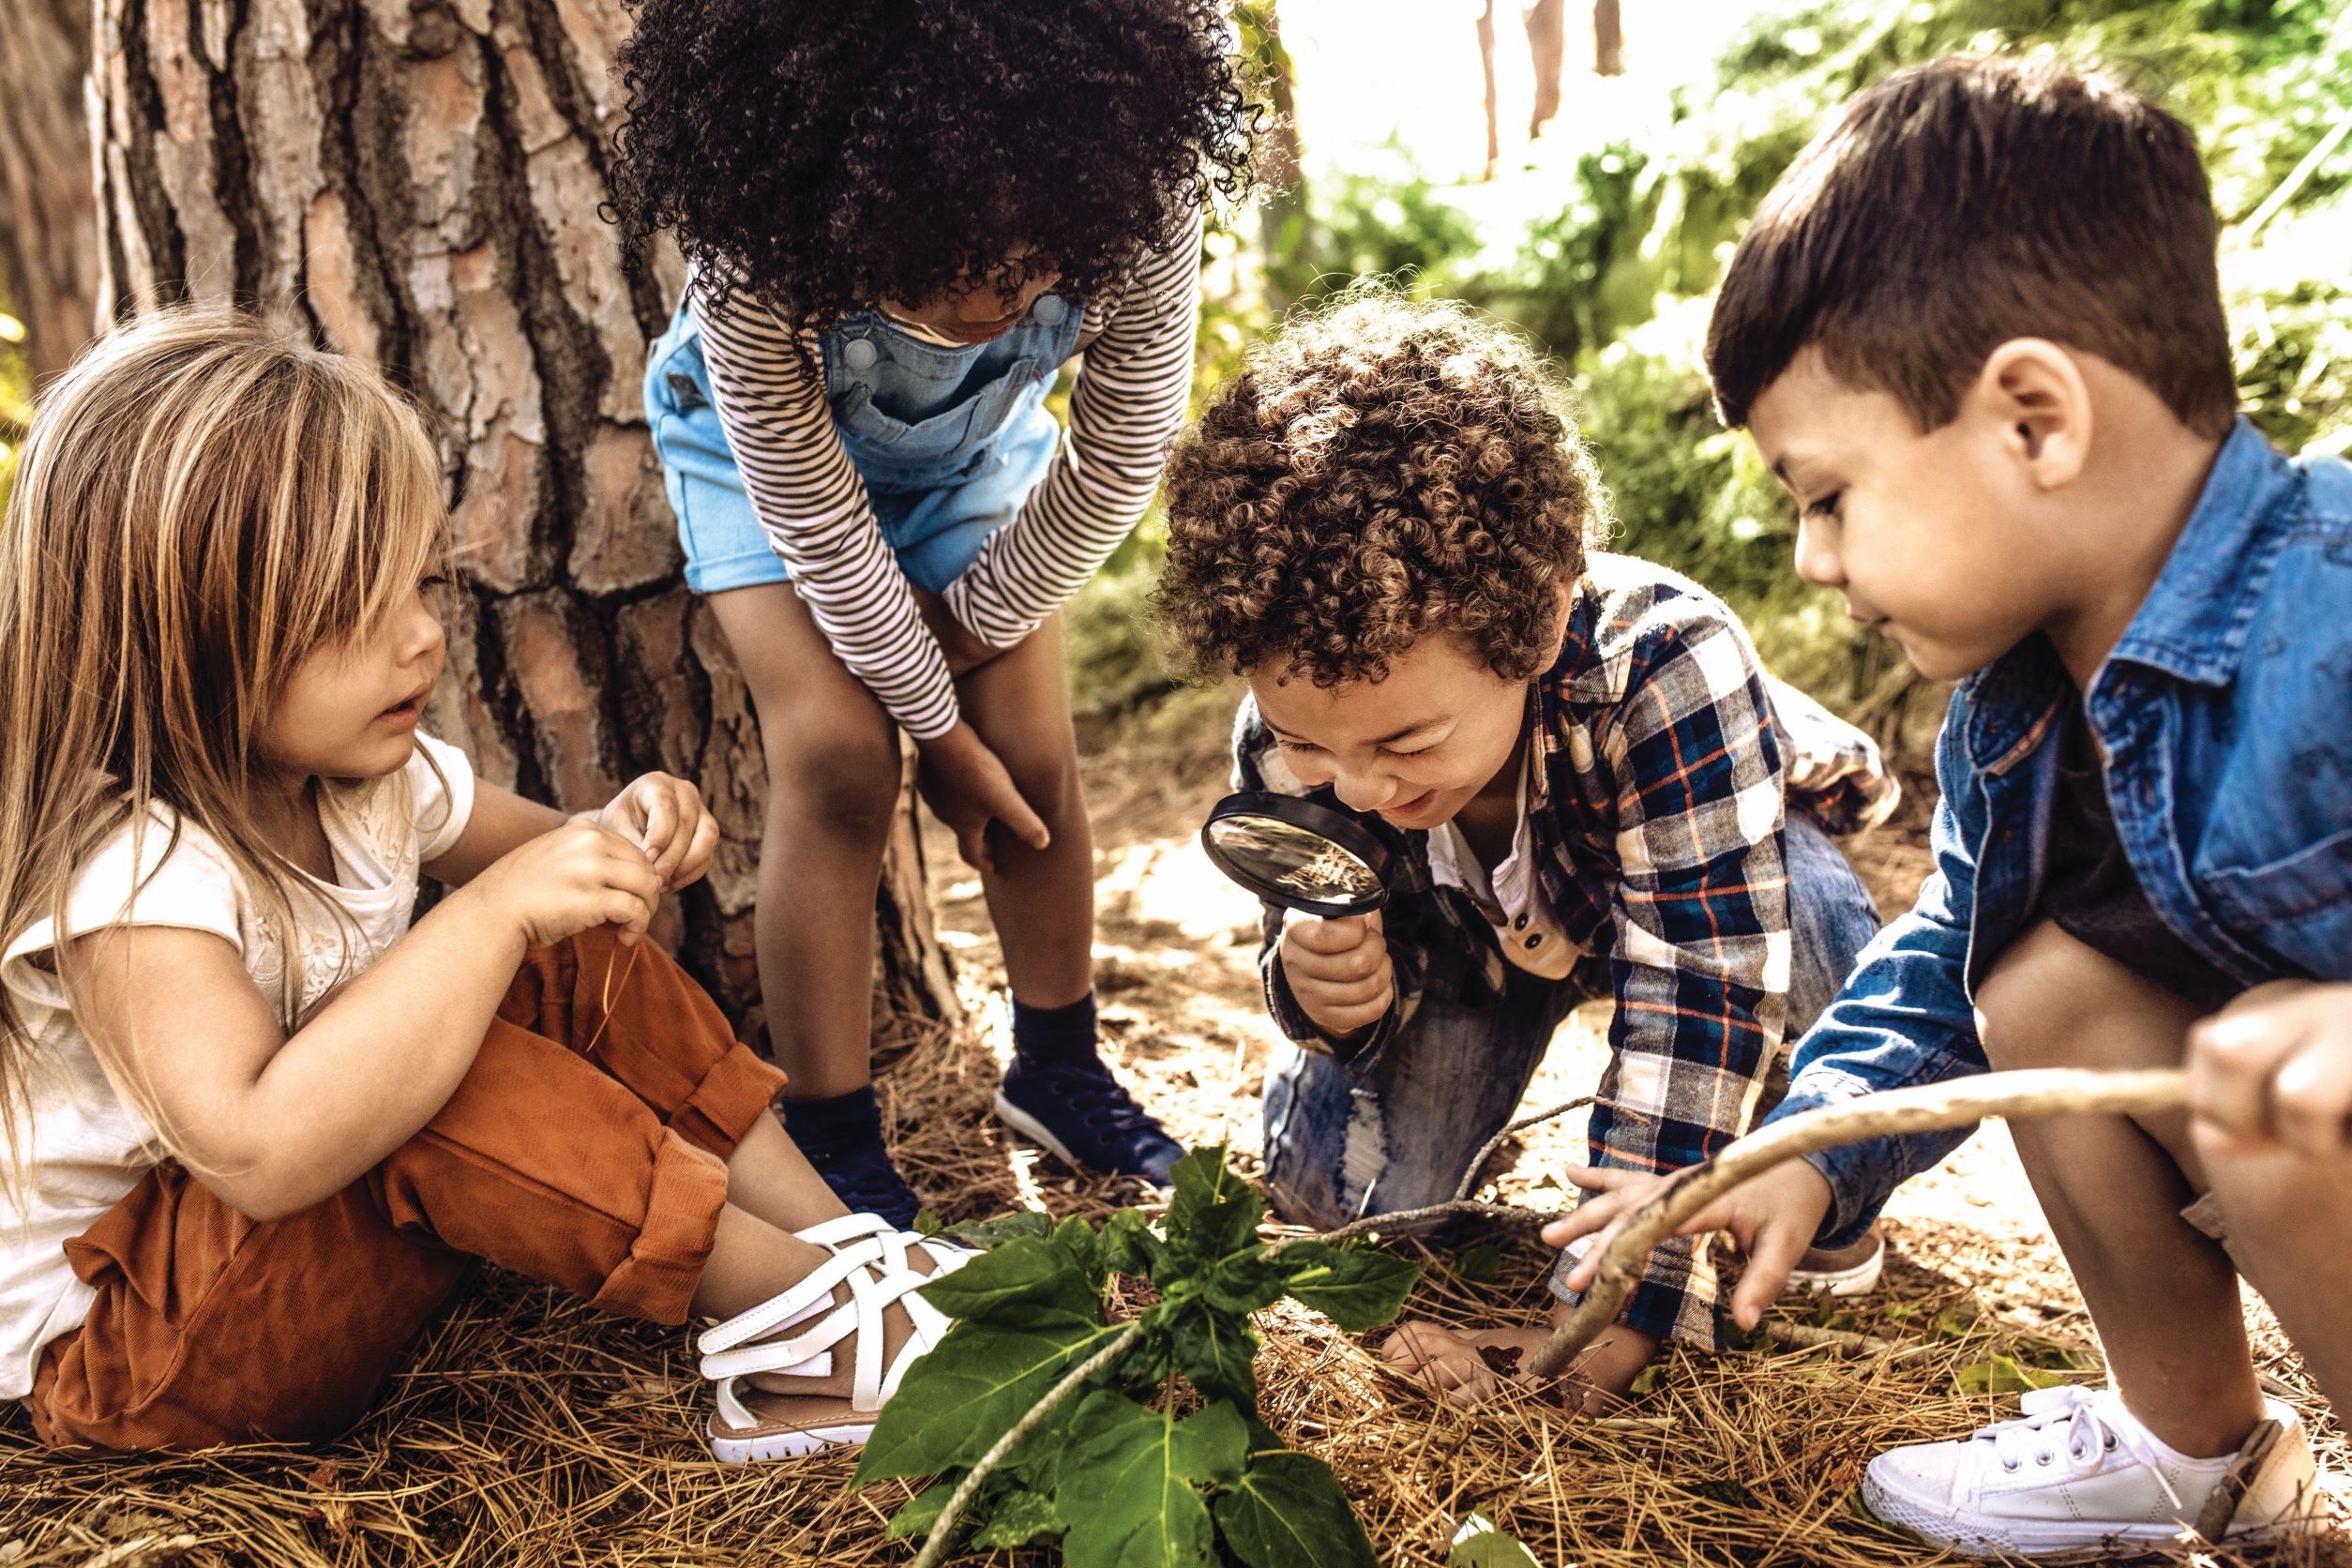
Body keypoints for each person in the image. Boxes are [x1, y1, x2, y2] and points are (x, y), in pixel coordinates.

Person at [1545, 56, 2344, 1555]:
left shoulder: (2336, 610)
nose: (1812, 563)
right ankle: (2191, 1449)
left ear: (2033, 420)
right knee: (2036, 987)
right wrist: (1808, 1146)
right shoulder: (2012, 719)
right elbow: (1935, 962)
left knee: (2281, 1078)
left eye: (1828, 494)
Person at [0, 310, 969, 1462]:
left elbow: (561, 860)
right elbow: (259, 1150)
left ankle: (844, 1253)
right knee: (442, 1055)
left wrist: (628, 830)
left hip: (279, 1268)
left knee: (563, 950)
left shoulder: (364, 779)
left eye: (421, 586)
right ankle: (804, 1325)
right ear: (181, 637)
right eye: (355, 610)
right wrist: (494, 912)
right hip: (133, 1356)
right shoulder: (133, 874)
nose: (422, 641)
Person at [1154, 290, 1898, 1409]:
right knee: (1339, 1200)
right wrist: (1327, 995)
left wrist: (1596, 1326)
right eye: (1314, 744)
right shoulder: (1294, 732)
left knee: (1822, 929)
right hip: (1468, 948)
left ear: (1540, 623)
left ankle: (1814, 1181)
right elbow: (1303, 921)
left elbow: (1699, 989)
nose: (1361, 785)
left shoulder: (1667, 663)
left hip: (1692, 881)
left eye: (1408, 738)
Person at [606, 0, 1261, 1223]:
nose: (992, 301)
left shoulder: (1138, 201)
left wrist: (962, 641)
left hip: (971, 464)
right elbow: (817, 526)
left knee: (1033, 755)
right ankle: (837, 1134)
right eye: (944, 262)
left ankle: (1062, 1072)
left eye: (1026, 263)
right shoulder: (761, 249)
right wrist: (931, 731)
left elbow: (1116, 462)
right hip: (762, 469)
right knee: (843, 756)